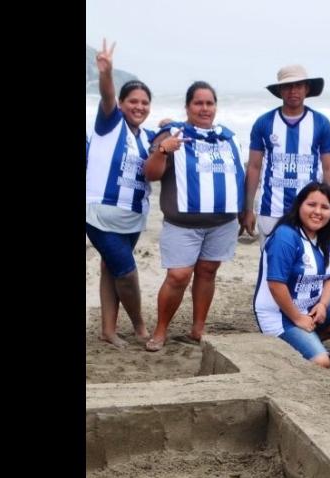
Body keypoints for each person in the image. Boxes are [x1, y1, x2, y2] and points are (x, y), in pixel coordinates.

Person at [142, 81, 246, 352]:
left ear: (216, 106)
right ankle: (160, 330)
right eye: (198, 103)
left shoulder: (228, 136)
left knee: (208, 272)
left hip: (221, 223)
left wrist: (246, 210)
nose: (204, 108)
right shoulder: (171, 133)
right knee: (178, 275)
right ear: (187, 106)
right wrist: (164, 150)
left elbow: (240, 176)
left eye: (209, 103)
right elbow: (150, 174)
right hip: (182, 224)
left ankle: (198, 327)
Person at [85, 38, 155, 349]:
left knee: (109, 268)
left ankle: (108, 330)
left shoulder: (146, 137)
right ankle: (140, 326)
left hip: (133, 217)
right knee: (126, 273)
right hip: (100, 214)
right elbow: (107, 95)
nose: (139, 107)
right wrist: (106, 73)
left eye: (144, 103)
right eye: (133, 101)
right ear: (122, 104)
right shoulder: (111, 124)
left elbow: (163, 149)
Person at [254, 182, 330, 367]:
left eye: (324, 207)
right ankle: (300, 345)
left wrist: (323, 305)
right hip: (280, 314)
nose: (317, 211)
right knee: (321, 361)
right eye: (311, 205)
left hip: (310, 306)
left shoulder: (324, 238)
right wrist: (298, 318)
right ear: (299, 205)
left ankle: (311, 339)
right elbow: (276, 285)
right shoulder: (286, 236)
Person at [240, 65, 330, 247]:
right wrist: (248, 209)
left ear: (307, 89)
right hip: (271, 209)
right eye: (287, 86)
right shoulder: (264, 122)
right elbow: (254, 167)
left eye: (298, 86)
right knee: (272, 264)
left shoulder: (321, 123)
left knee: (306, 266)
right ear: (279, 90)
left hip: (310, 210)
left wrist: (329, 210)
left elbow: (329, 169)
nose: (293, 91)